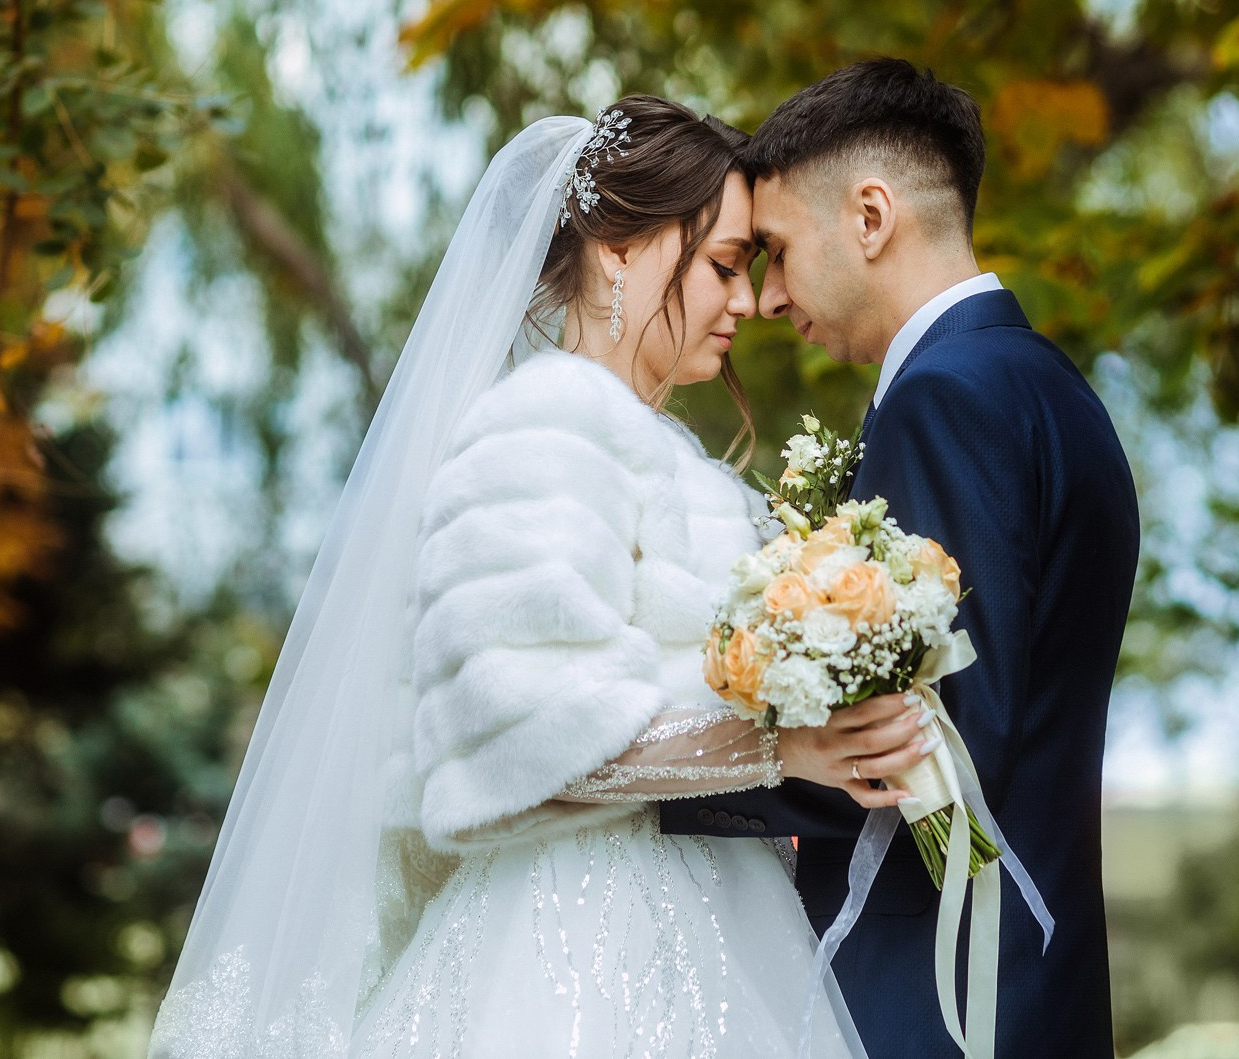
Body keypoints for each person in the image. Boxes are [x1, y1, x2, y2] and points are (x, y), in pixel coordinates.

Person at [149, 96, 930, 1059]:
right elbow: (515, 746)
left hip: (716, 917)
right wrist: (782, 746)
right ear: (618, 250)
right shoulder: (546, 423)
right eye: (724, 265)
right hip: (566, 944)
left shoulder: (676, 457)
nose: (742, 302)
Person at [665, 59, 1142, 1059]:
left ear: (871, 217)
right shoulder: (1048, 388)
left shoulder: (945, 397)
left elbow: (926, 739)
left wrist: (646, 783)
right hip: (1027, 980)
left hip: (930, 991)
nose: (769, 296)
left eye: (781, 251)